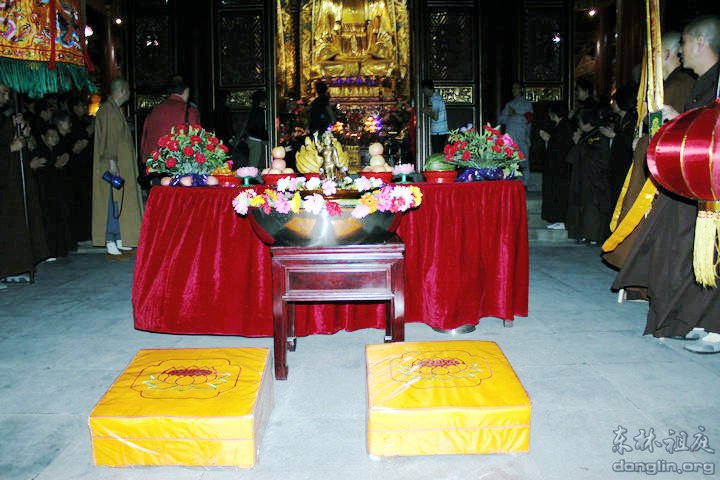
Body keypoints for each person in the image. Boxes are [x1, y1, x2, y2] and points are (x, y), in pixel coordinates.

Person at [613, 15, 720, 353]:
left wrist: (681, 121)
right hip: (694, 183)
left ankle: (715, 327)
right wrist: (680, 119)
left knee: (708, 253)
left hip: (711, 183)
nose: (684, 51)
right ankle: (694, 319)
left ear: (700, 42)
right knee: (688, 253)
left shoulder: (715, 83)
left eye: (685, 43)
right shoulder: (703, 83)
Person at [0, 83, 49, 283]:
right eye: (2, 92)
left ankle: (15, 266)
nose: (6, 97)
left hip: (11, 182)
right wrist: (10, 148)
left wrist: (18, 131)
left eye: (7, 93)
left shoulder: (4, 118)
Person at [91, 79, 144, 258]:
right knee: (110, 203)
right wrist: (112, 162)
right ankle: (110, 240)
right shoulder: (108, 111)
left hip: (119, 164)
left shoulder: (113, 110)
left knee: (119, 202)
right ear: (122, 91)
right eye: (128, 90)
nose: (129, 94)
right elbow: (109, 140)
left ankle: (120, 238)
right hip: (111, 166)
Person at [139, 76, 200, 186]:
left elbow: (145, 139)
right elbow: (196, 140)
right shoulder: (189, 111)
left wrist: (145, 163)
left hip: (155, 169)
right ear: (186, 90)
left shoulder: (154, 110)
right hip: (180, 171)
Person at [565, 107, 612, 245]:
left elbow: (601, 157)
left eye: (580, 121)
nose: (579, 124)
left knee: (593, 207)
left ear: (588, 122)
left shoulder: (599, 135)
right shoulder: (587, 135)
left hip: (594, 178)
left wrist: (580, 145)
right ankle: (584, 234)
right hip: (582, 176)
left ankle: (593, 236)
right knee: (582, 205)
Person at [539, 101, 574, 229]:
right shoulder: (557, 125)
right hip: (554, 166)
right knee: (554, 190)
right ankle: (556, 218)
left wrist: (549, 139)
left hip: (561, 167)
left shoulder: (566, 126)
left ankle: (561, 219)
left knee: (560, 192)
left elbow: (564, 146)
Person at [602, 85, 638, 203]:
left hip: (624, 169)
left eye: (614, 101)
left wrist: (614, 136)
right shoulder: (621, 120)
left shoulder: (632, 120)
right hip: (616, 168)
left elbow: (630, 141)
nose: (612, 104)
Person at [498, 82, 533, 183]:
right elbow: (501, 119)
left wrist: (516, 114)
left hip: (522, 135)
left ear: (521, 89)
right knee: (510, 159)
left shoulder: (527, 104)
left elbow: (529, 119)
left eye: (516, 88)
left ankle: (525, 183)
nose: (514, 90)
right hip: (510, 135)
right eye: (513, 88)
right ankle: (510, 181)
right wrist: (509, 115)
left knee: (523, 159)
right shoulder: (509, 104)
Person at [421, 79, 449, 154]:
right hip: (441, 131)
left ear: (426, 88)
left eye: (423, 90)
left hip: (438, 132)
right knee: (439, 154)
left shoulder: (435, 98)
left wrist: (426, 111)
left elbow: (436, 117)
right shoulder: (437, 96)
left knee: (437, 155)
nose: (424, 92)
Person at [245, 89, 268, 168]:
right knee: (253, 165)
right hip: (256, 140)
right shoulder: (259, 111)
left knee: (254, 163)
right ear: (261, 101)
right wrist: (265, 138)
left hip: (252, 139)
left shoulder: (254, 110)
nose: (266, 103)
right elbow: (260, 127)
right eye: (265, 100)